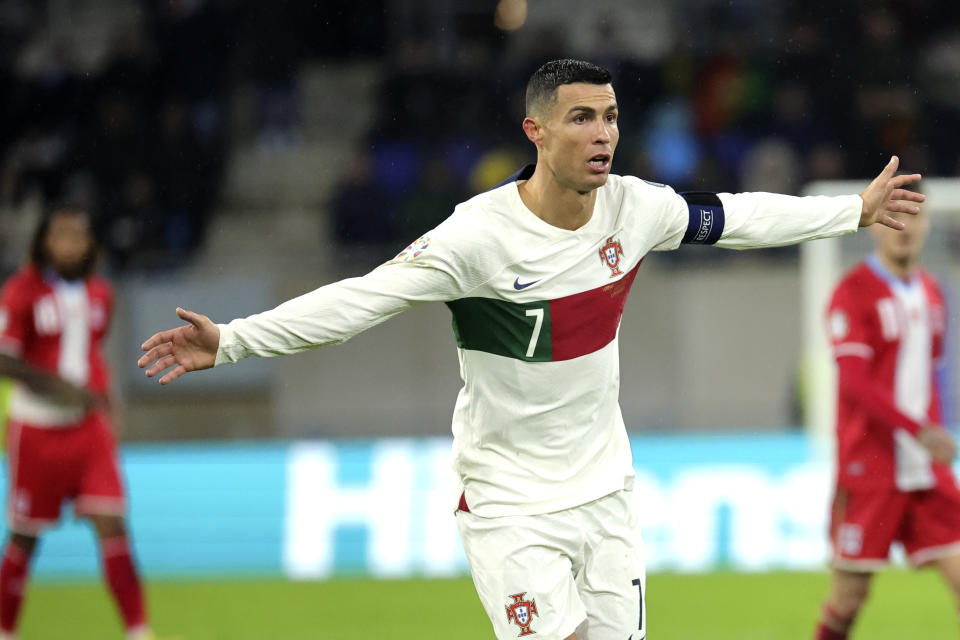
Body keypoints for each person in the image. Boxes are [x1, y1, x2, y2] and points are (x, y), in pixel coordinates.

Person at [138, 60, 923, 640]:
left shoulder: (635, 210)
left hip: (605, 489)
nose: (603, 133)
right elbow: (360, 300)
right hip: (510, 499)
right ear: (535, 130)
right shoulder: (476, 236)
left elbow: (738, 216)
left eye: (611, 116)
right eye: (581, 117)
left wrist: (849, 213)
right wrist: (234, 340)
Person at [0, 205, 157, 640]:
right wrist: (58, 388)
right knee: (25, 537)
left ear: (90, 245)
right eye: (60, 237)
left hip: (88, 431)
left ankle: (139, 632)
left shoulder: (100, 294)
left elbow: (91, 355)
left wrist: (107, 400)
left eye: (77, 238)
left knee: (113, 523)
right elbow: (4, 358)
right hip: (37, 430)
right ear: (44, 243)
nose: (68, 246)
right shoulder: (21, 292)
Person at [814, 197, 960, 639]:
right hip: (871, 467)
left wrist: (937, 434)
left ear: (929, 225)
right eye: (896, 218)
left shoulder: (933, 292)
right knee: (849, 598)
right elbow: (856, 382)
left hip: (926, 470)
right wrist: (921, 430)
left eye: (916, 217)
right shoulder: (852, 292)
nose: (906, 227)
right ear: (876, 225)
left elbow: (930, 376)